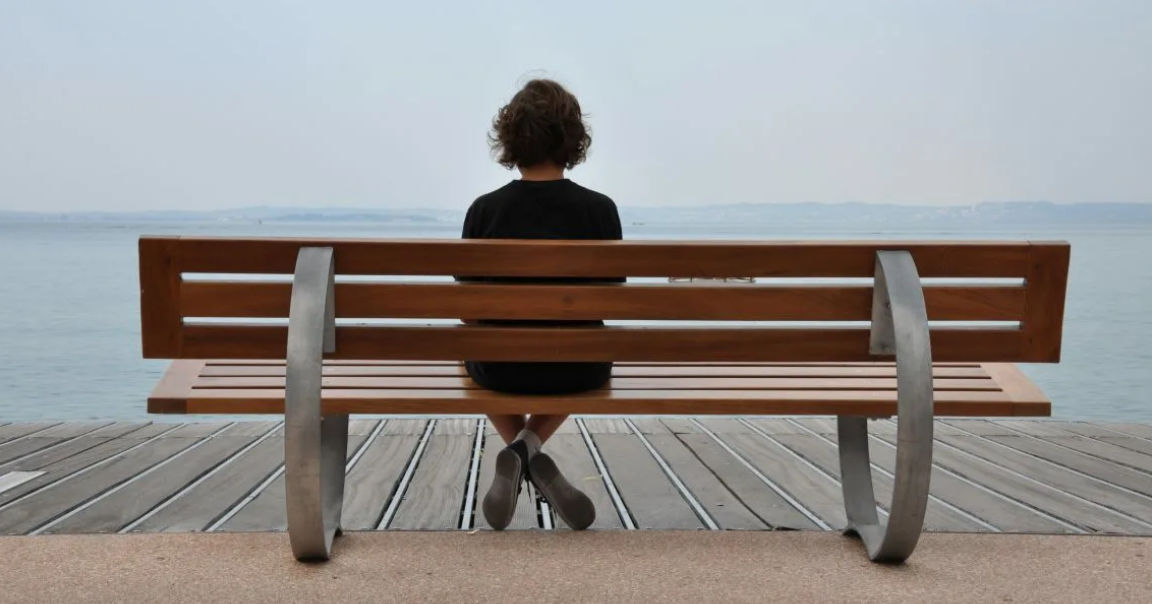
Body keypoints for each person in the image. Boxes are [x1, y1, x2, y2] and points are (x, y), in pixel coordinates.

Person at [458, 79, 623, 530]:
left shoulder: (484, 210)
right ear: (573, 139)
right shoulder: (600, 210)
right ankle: (528, 447)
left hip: (501, 369)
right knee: (591, 345)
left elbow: (468, 311)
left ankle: (519, 449)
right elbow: (610, 302)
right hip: (579, 368)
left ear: (511, 140)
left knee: (464, 345)